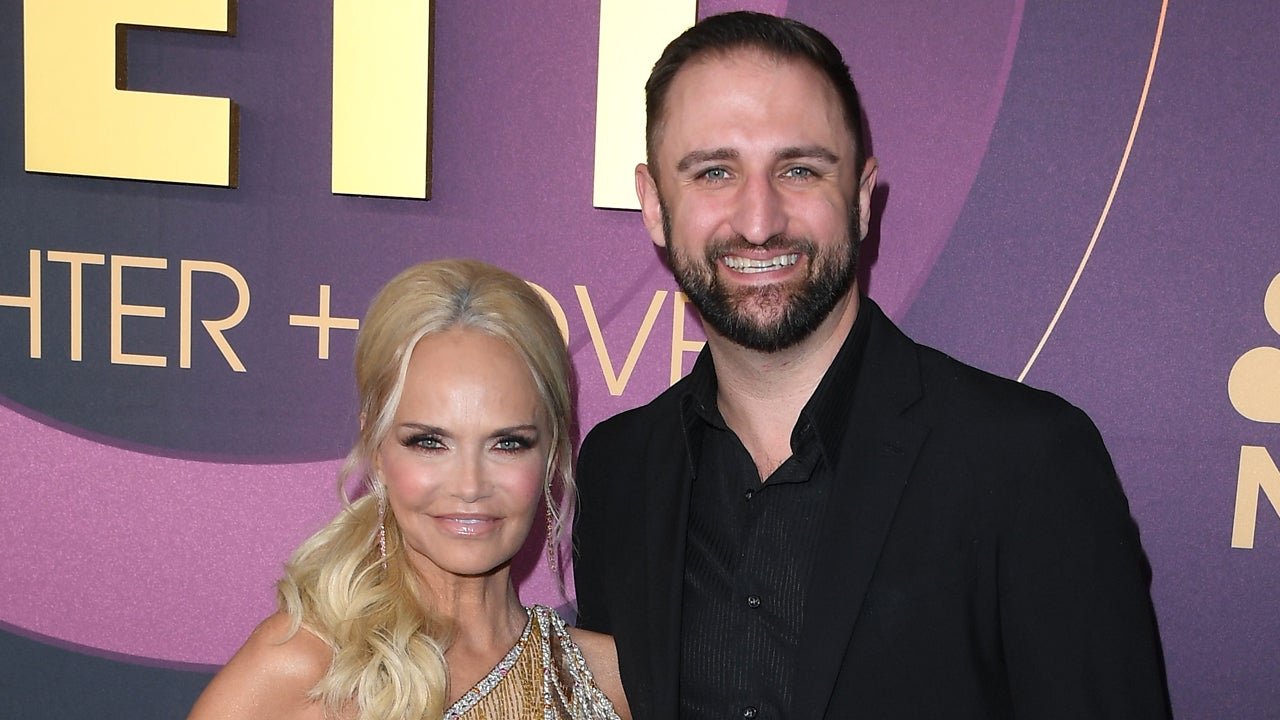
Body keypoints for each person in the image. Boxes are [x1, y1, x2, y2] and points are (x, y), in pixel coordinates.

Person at [573, 11, 1169, 720]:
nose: (758, 221)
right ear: (653, 205)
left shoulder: (1028, 463)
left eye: (798, 170)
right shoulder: (619, 471)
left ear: (859, 198)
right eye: (715, 172)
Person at [190, 259, 629, 720]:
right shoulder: (303, 672)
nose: (470, 486)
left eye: (508, 443)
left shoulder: (615, 682)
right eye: (429, 442)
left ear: (552, 453)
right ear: (377, 448)